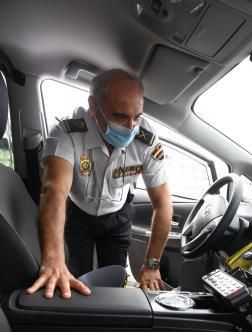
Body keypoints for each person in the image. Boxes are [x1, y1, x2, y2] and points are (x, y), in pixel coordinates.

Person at [27, 69, 173, 299]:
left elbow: (163, 204)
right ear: (94, 107)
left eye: (137, 116)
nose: (131, 126)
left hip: (117, 216)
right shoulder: (68, 133)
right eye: (120, 117)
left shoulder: (146, 140)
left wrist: (152, 265)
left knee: (113, 282)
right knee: (75, 281)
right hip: (78, 214)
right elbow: (54, 191)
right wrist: (53, 261)